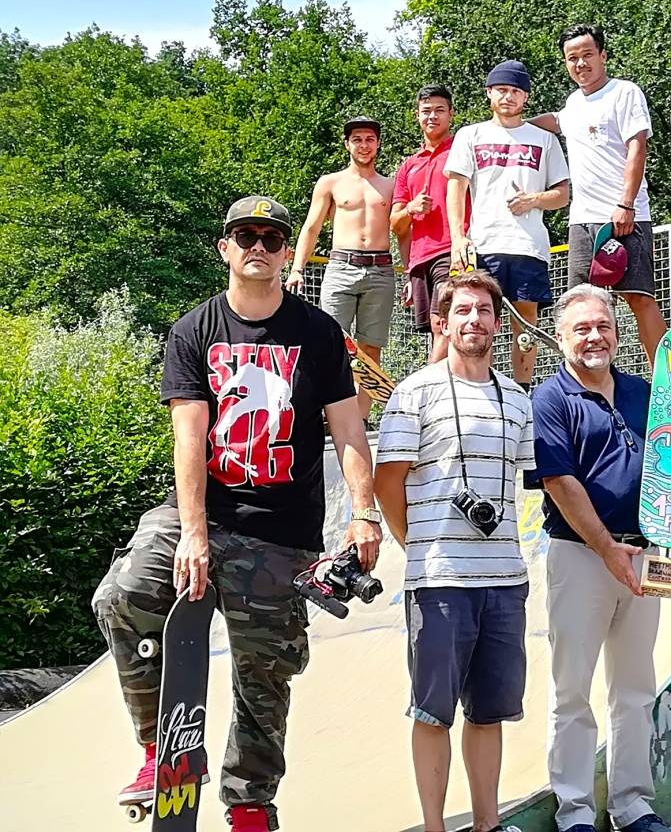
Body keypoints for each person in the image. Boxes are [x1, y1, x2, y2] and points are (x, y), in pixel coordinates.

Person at [93, 196, 383, 832]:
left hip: (280, 536)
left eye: (272, 238)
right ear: (225, 248)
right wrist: (192, 534)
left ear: (286, 252)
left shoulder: (316, 333)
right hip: (203, 511)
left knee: (265, 671)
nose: (259, 246)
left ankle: (250, 802)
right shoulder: (195, 330)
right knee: (123, 596)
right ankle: (158, 750)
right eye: (245, 236)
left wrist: (364, 513)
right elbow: (189, 436)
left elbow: (348, 428)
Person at [373, 271, 535, 832]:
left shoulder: (516, 398)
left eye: (485, 312)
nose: (474, 321)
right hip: (439, 579)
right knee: (432, 711)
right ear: (442, 322)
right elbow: (386, 481)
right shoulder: (413, 392)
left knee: (489, 712)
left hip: (505, 578)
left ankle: (488, 823)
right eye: (462, 312)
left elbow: (527, 480)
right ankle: (436, 826)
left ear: (497, 321)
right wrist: (413, 543)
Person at [525, 284, 671, 832]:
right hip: (581, 556)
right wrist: (607, 548)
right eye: (581, 328)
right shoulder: (549, 399)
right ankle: (576, 811)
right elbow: (559, 481)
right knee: (572, 691)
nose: (594, 336)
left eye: (603, 326)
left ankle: (634, 804)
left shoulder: (643, 391)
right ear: (561, 337)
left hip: (648, 552)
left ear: (617, 331)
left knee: (635, 688)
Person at [529, 25, 667, 369]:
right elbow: (555, 121)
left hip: (625, 215)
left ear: (603, 55)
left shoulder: (625, 92)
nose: (580, 64)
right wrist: (510, 121)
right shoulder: (573, 104)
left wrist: (626, 204)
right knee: (580, 306)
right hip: (582, 222)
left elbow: (638, 147)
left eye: (587, 55)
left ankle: (669, 384)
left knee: (640, 299)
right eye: (572, 58)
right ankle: (585, 385)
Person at [445, 59, 570, 391]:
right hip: (483, 245)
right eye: (501, 90)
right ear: (489, 93)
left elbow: (563, 194)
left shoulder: (543, 139)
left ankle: (522, 390)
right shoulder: (470, 135)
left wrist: (533, 199)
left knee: (525, 324)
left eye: (516, 91)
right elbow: (455, 186)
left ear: (526, 97)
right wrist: (458, 237)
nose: (508, 97)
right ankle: (473, 386)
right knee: (476, 315)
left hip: (529, 245)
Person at [286, 115, 397, 418]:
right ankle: (324, 414)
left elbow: (404, 230)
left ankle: (360, 420)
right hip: (341, 266)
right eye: (358, 139)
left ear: (378, 144)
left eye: (370, 139)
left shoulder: (390, 185)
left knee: (371, 347)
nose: (364, 145)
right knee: (328, 341)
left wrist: (412, 274)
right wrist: (297, 267)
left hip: (381, 269)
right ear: (347, 144)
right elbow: (312, 227)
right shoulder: (331, 182)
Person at [392, 85, 467, 365]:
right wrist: (411, 209)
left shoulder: (462, 150)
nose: (432, 116)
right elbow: (396, 225)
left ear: (451, 115)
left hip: (451, 250)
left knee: (444, 324)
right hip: (419, 258)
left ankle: (424, 390)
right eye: (426, 111)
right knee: (434, 328)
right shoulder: (408, 165)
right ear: (417, 116)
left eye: (439, 110)